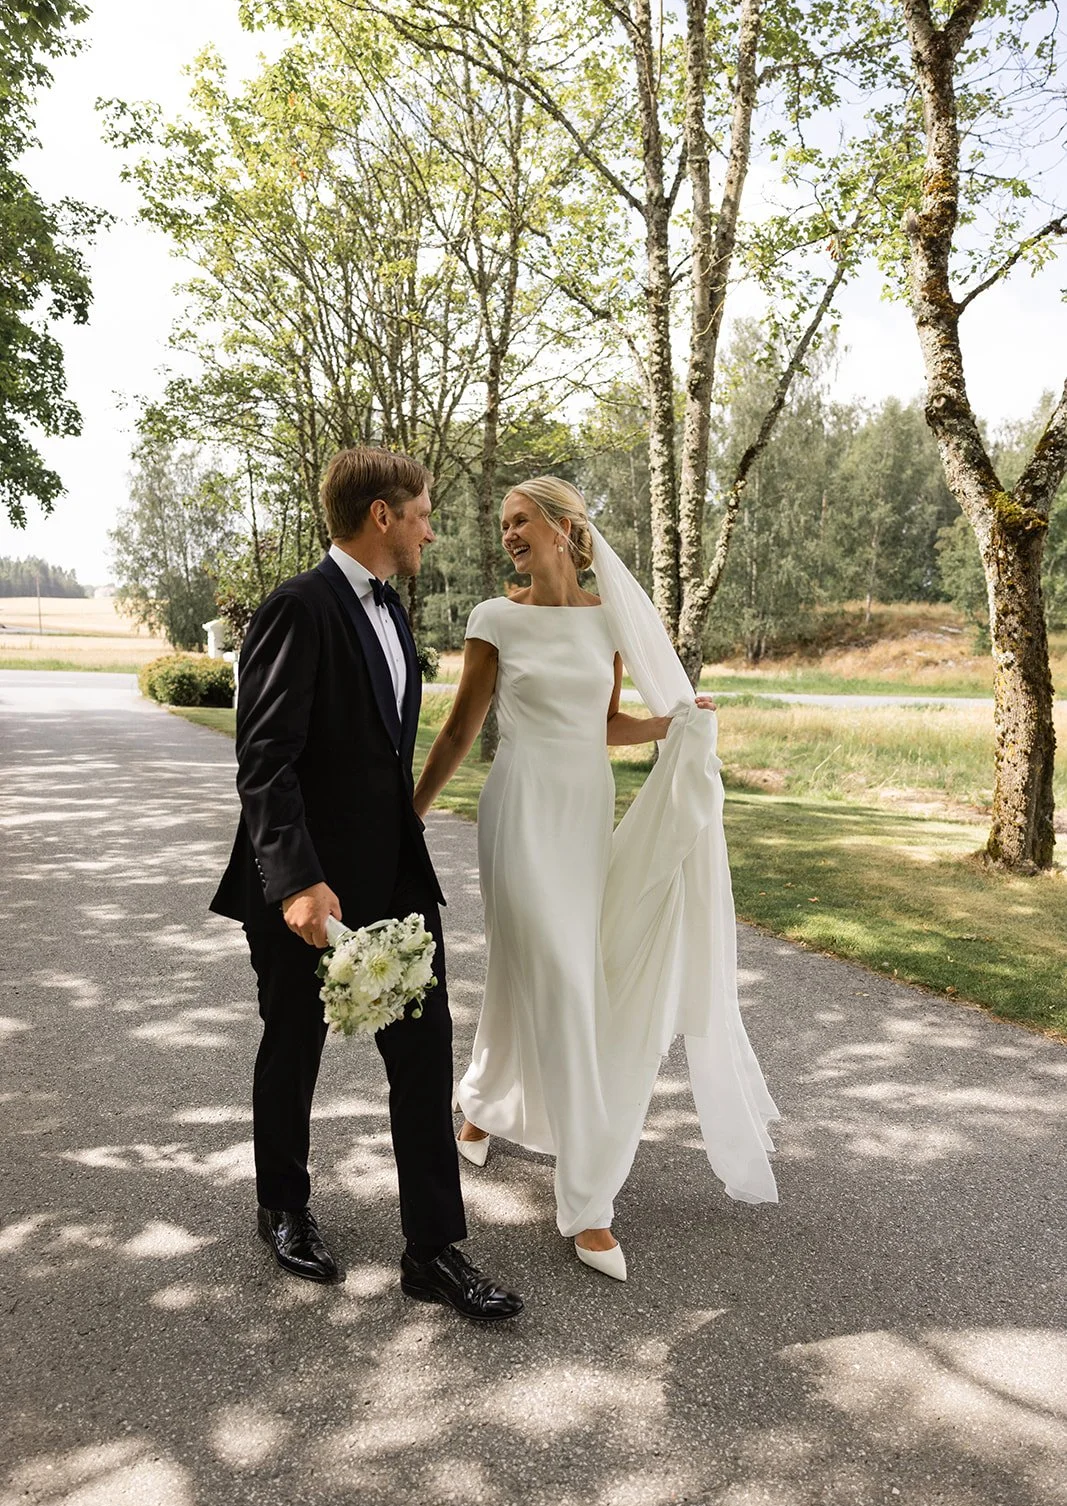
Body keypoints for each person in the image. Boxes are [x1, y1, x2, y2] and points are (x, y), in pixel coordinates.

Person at [414, 477, 779, 1281]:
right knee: (561, 981)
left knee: (536, 974)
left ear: (561, 527)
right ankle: (587, 1204)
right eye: (502, 524)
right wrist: (410, 814)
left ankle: (475, 1105)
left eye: (520, 521)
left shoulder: (609, 619)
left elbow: (605, 723)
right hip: (519, 809)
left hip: (583, 812)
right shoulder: (494, 619)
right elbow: (462, 727)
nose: (507, 534)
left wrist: (677, 722)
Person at [210, 445, 522, 1323]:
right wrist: (299, 880)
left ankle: (432, 1250)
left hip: (394, 875)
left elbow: (383, 749)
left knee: (423, 1062)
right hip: (305, 883)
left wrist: (411, 824)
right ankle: (283, 1207)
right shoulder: (297, 607)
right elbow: (263, 761)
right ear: (381, 515)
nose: (432, 526)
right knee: (294, 1045)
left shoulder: (393, 609)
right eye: (421, 510)